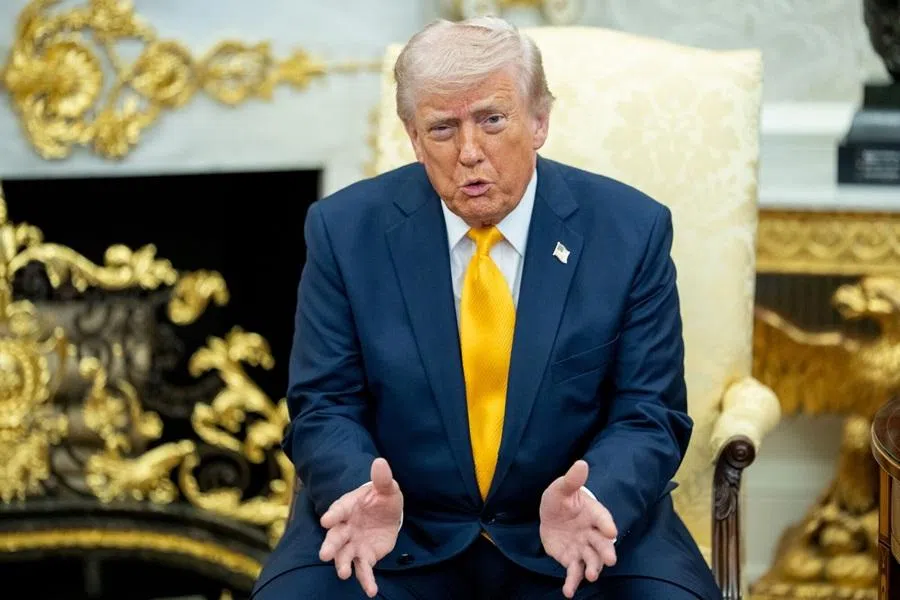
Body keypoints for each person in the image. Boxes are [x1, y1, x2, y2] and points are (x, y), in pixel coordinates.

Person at [252, 15, 721, 600]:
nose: (470, 153)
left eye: (493, 121)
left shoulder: (630, 231)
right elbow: (324, 403)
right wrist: (355, 486)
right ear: (413, 135)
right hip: (397, 528)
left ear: (540, 120)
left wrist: (597, 496)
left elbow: (649, 412)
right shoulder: (344, 232)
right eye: (442, 128)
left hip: (579, 527)